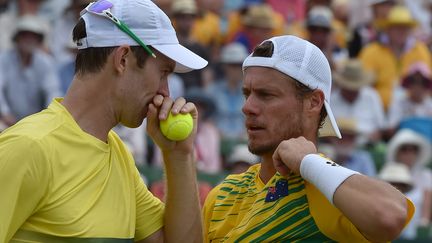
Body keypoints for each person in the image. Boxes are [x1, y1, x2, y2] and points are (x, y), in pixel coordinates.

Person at [0, 0, 208, 242]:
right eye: (162, 73)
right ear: (122, 59)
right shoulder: (28, 147)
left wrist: (179, 156)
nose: (166, 93)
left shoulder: (119, 154)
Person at [203, 35, 414, 242]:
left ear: (313, 103)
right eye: (247, 94)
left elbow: (391, 215)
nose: (247, 107)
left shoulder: (325, 191)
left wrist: (308, 161)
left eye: (266, 95)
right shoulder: (223, 193)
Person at [359, 5, 432, 111]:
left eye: (405, 27)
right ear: (388, 29)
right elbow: (362, 85)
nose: (401, 31)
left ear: (410, 30)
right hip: (378, 111)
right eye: (397, 27)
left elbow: (428, 85)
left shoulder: (421, 51)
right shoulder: (371, 51)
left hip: (412, 110)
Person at [0, 14, 60, 125]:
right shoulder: (3, 59)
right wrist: (5, 113)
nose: (28, 40)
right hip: (6, 120)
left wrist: (49, 115)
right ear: (17, 38)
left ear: (38, 40)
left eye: (33, 36)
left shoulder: (46, 62)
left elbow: (52, 91)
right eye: (24, 35)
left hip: (35, 121)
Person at [331, 59, 386, 145]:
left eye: (354, 88)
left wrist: (371, 139)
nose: (351, 92)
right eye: (348, 89)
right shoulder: (331, 99)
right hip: (336, 145)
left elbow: (380, 128)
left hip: (366, 145)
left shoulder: (371, 96)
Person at [386, 129, 432, 229]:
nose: (409, 153)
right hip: (390, 226)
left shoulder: (426, 175)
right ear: (397, 152)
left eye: (413, 149)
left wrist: (423, 225)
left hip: (416, 227)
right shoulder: (386, 173)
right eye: (404, 149)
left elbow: (426, 207)